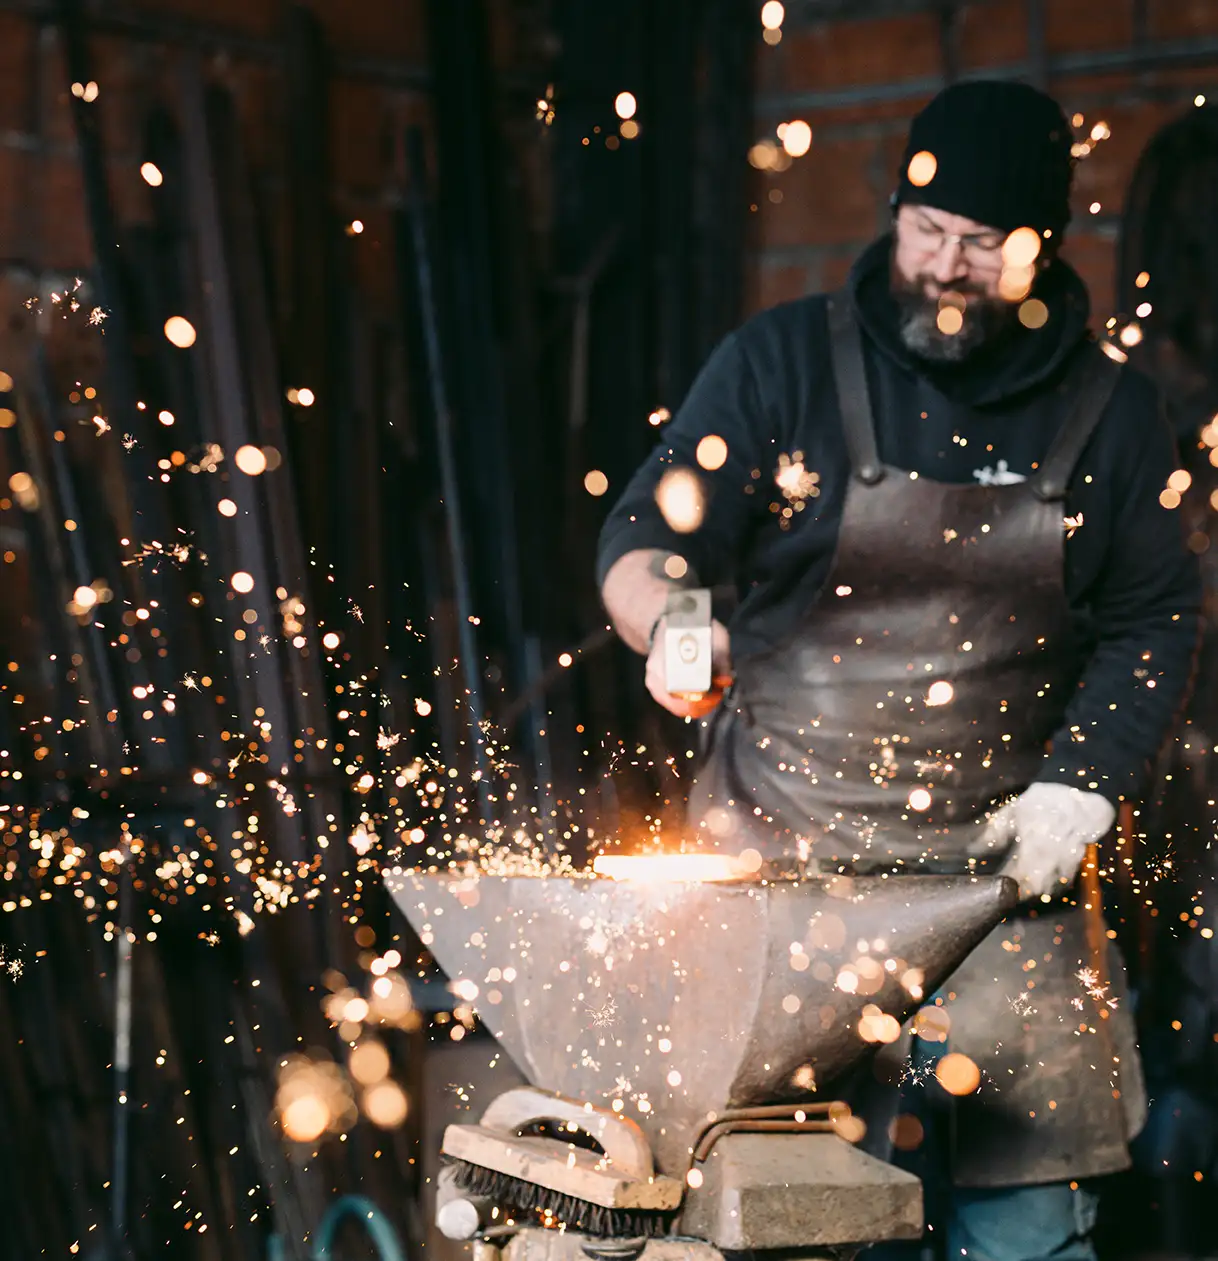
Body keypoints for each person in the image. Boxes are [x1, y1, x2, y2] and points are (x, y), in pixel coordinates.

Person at [596, 81, 1202, 1261]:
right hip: (774, 907)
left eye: (983, 245)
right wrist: (670, 618)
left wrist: (1084, 780)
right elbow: (646, 536)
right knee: (772, 1231)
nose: (946, 267)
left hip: (999, 910)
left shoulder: (1114, 417)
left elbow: (1154, 621)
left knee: (1022, 1236)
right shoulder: (781, 365)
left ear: (1044, 244)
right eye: (927, 231)